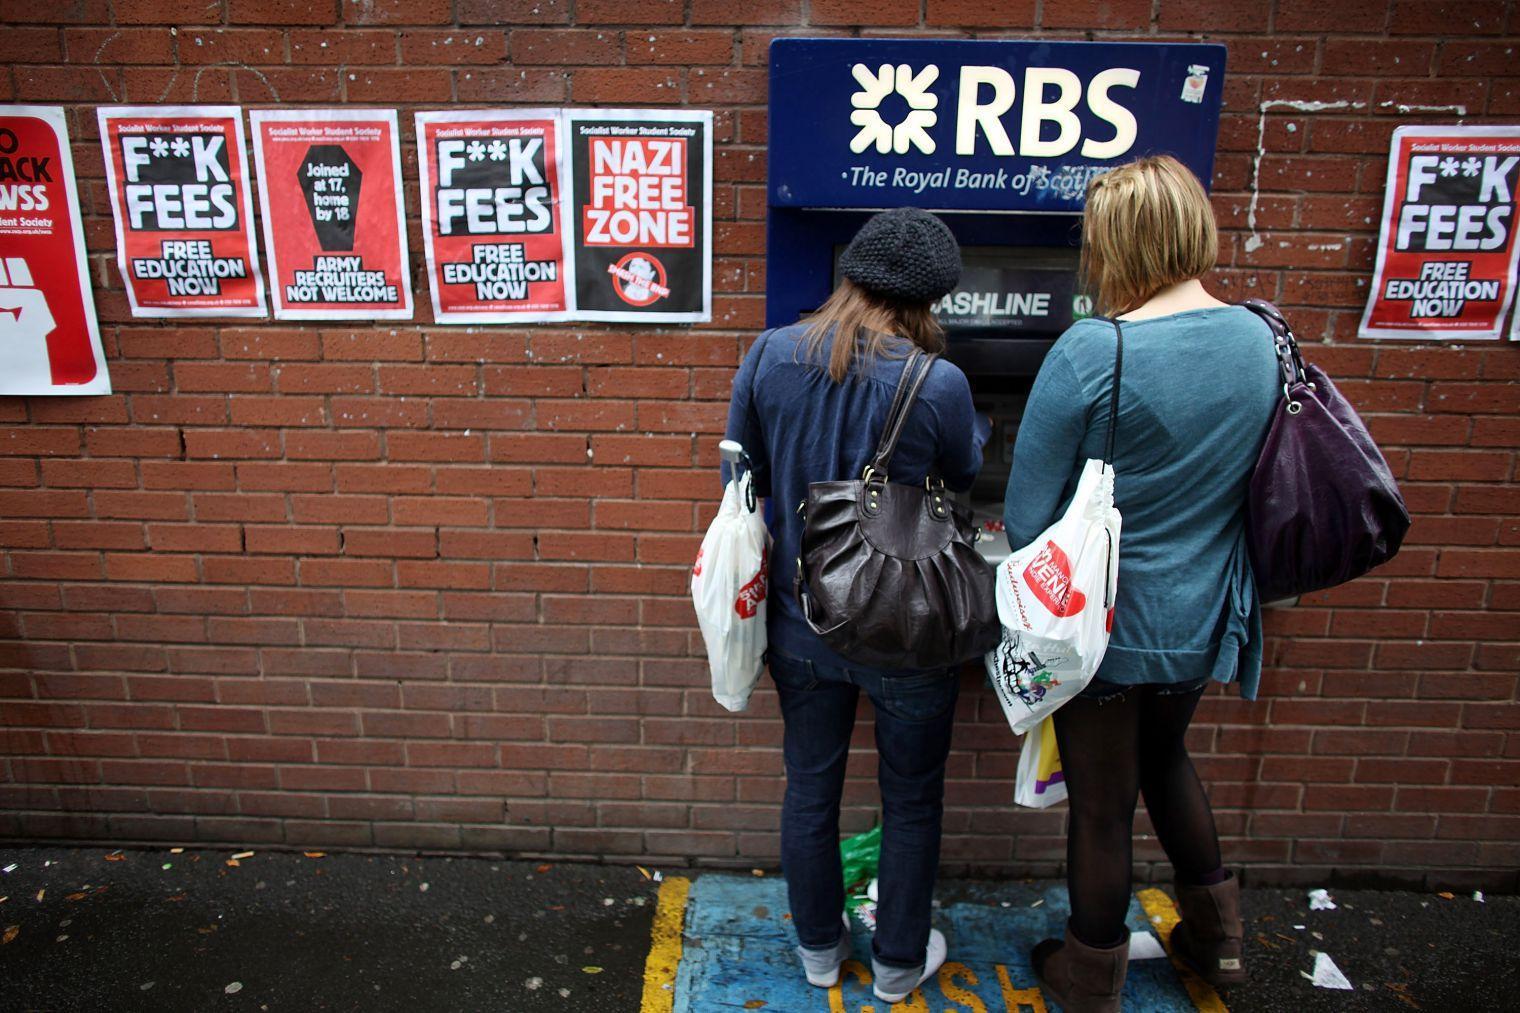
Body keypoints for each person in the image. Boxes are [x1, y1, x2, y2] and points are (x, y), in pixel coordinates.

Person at [1003, 155, 1278, 1011]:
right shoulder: (1262, 337)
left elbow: (1024, 514)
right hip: (1205, 615)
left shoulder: (1096, 348)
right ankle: (1219, 942)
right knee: (1167, 758)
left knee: (1102, 803)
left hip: (1108, 629)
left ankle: (1088, 974)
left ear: (1112, 243)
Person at [724, 207, 985, 1004]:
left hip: (802, 624)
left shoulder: (769, 354)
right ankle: (900, 963)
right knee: (910, 798)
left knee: (811, 785)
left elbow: (742, 479)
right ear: (929, 299)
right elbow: (969, 470)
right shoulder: (936, 382)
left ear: (851, 273)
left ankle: (817, 949)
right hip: (906, 630)